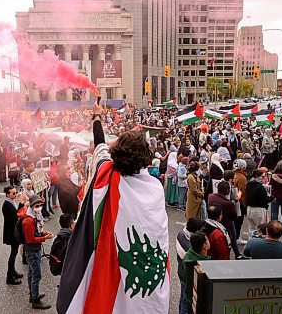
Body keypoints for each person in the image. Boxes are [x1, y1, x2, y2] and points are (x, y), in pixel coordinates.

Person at [57, 100, 170, 314]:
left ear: (116, 155)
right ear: (145, 159)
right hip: (145, 266)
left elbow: (100, 147)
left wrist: (97, 117)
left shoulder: (105, 176)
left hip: (113, 260)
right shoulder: (155, 188)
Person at [18, 194, 54, 309]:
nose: (40, 207)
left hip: (34, 250)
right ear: (32, 206)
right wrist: (45, 238)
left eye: (41, 205)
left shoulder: (34, 216)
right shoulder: (28, 221)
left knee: (31, 273)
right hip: (32, 250)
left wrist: (43, 233)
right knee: (36, 275)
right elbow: (30, 239)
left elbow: (35, 232)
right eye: (38, 205)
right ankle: (35, 299)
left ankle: (33, 294)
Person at [176, 218, 205, 314]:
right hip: (186, 276)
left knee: (182, 297)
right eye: (201, 230)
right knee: (186, 302)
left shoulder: (181, 234)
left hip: (181, 271)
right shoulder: (190, 248)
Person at [208, 181, 242, 259]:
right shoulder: (228, 203)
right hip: (226, 224)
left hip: (212, 223)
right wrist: (236, 200)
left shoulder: (211, 196)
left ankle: (237, 254)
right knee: (231, 239)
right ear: (227, 191)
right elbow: (234, 217)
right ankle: (236, 254)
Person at [182, 232, 211, 313]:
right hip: (197, 300)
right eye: (208, 240)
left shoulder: (188, 256)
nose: (209, 241)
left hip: (189, 297)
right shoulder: (203, 266)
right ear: (205, 246)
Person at [2, 185, 24, 285]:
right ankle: (9, 277)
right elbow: (16, 216)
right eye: (13, 193)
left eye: (16, 192)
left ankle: (13, 271)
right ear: (7, 195)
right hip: (11, 233)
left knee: (14, 253)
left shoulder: (11, 202)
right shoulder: (6, 205)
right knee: (13, 254)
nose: (16, 194)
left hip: (14, 231)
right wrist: (21, 203)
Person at [245, 169, 273, 235]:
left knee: (252, 228)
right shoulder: (260, 187)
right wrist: (271, 198)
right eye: (263, 177)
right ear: (257, 177)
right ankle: (260, 244)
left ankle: (252, 242)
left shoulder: (249, 184)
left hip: (249, 209)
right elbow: (264, 200)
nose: (264, 178)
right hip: (259, 210)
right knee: (262, 229)